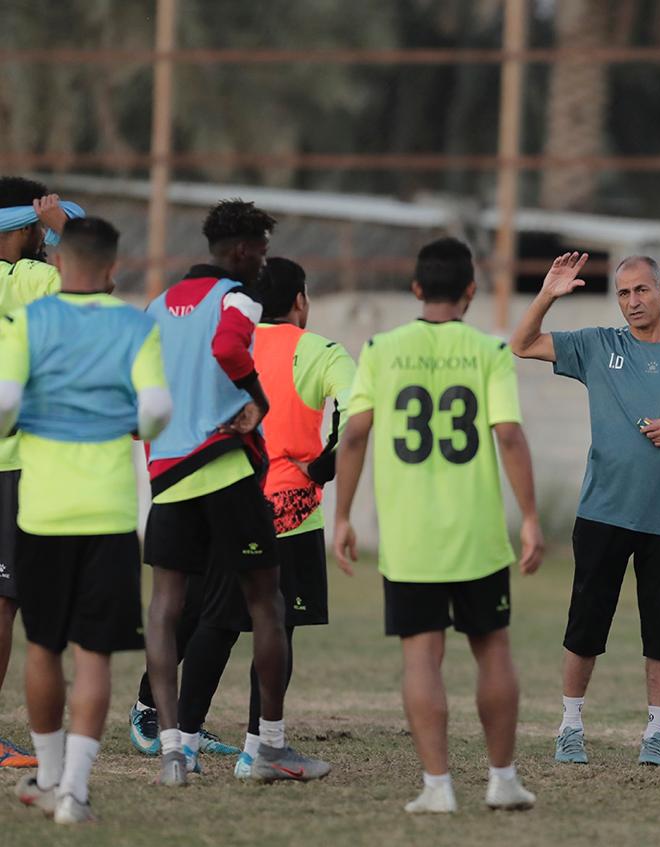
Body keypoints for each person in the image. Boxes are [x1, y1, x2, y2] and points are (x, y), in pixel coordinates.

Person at [334, 237, 543, 814]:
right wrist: (529, 518)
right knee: (493, 649)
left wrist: (343, 515)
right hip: (476, 534)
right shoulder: (490, 350)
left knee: (421, 659)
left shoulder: (380, 348)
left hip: (409, 538)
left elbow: (354, 435)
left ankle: (438, 787)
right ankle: (502, 780)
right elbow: (509, 435)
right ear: (471, 291)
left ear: (417, 289)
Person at [129, 257, 356, 777]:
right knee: (278, 623)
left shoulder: (231, 340)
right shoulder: (319, 350)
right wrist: (324, 465)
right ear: (300, 301)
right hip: (290, 510)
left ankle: (183, 740)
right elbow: (360, 407)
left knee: (217, 621)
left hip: (224, 494)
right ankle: (260, 748)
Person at [510, 253, 660, 768]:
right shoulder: (597, 345)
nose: (632, 302)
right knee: (586, 624)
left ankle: (655, 735)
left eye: (641, 290)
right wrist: (547, 293)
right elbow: (521, 345)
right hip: (603, 511)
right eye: (623, 293)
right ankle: (570, 726)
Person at [1, 217, 171, 823]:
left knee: (43, 648)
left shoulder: (28, 321)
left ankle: (46, 777)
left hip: (43, 512)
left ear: (60, 263)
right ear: (111, 268)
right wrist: (132, 426)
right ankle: (74, 790)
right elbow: (155, 410)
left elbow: (4, 404)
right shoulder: (133, 325)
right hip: (109, 513)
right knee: (94, 654)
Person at [0, 176, 77, 769]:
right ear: (20, 230)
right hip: (14, 463)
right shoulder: (30, 279)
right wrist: (63, 230)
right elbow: (88, 279)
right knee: (6, 601)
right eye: (34, 230)